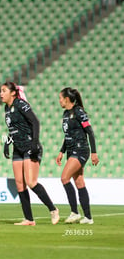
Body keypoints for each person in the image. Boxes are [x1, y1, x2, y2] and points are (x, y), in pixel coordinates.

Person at [0, 81, 59, 226]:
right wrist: (7, 142)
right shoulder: (6, 108)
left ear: (13, 93)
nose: (0, 94)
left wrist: (35, 142)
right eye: (0, 91)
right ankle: (29, 219)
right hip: (18, 148)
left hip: (30, 146)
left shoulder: (20, 104)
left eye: (3, 91)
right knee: (20, 184)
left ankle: (53, 209)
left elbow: (35, 122)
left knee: (31, 182)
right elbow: (14, 128)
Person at [56, 87, 99, 225]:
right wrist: (62, 151)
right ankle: (88, 217)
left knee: (64, 178)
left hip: (80, 150)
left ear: (67, 99)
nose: (59, 101)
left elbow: (90, 132)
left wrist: (94, 152)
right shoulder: (65, 114)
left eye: (60, 98)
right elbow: (68, 134)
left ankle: (74, 212)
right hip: (71, 151)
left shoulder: (79, 112)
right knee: (79, 182)